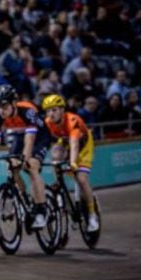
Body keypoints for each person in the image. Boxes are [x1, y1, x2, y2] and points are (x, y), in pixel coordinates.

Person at [0, 85, 52, 229]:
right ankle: (25, 199)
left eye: (4, 106)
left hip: (39, 137)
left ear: (13, 103)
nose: (1, 110)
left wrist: (25, 159)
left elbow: (30, 141)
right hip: (20, 136)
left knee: (31, 166)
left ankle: (41, 210)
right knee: (12, 167)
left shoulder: (27, 111)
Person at [41, 94, 99, 232]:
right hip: (66, 141)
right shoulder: (48, 122)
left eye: (54, 110)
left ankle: (92, 216)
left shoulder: (72, 120)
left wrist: (72, 162)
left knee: (81, 178)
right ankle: (60, 186)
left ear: (62, 110)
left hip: (83, 145)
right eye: (48, 111)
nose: (51, 114)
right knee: (55, 155)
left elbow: (74, 144)